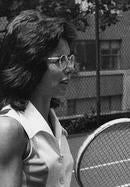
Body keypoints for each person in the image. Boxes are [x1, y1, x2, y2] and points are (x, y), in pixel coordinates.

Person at [0, 10, 76, 186]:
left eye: (70, 58)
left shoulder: (55, 126)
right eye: (60, 60)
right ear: (31, 64)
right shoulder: (9, 129)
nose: (70, 67)